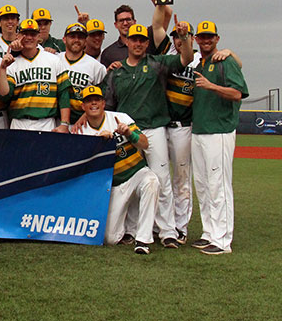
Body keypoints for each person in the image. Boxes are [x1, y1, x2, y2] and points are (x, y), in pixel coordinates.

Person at [100, 20, 193, 249]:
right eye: (134, 39)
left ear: (147, 43)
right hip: (127, 130)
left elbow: (186, 59)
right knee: (132, 178)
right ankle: (131, 230)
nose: (138, 43)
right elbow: (106, 104)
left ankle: (168, 231)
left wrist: (186, 39)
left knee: (161, 180)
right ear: (127, 41)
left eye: (142, 40)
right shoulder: (117, 71)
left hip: (153, 128)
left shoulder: (156, 64)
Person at [75, 86, 159, 254]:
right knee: (110, 239)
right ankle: (129, 228)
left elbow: (145, 143)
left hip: (136, 173)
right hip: (112, 185)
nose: (93, 103)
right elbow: (82, 168)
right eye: (88, 101)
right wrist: (99, 145)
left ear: (103, 103)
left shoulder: (120, 118)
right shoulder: (79, 130)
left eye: (97, 100)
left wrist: (129, 133)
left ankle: (143, 240)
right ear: (83, 107)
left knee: (152, 182)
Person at [189, 21, 248, 255]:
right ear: (196, 40)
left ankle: (222, 240)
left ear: (217, 39)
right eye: (202, 37)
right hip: (200, 130)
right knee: (202, 185)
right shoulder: (199, 63)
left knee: (218, 185)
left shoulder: (226, 62)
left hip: (220, 130)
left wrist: (212, 86)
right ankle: (209, 232)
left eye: (210, 37)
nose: (206, 41)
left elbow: (237, 93)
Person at [0, 19, 71, 132]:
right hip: (19, 122)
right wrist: (2, 68)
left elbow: (63, 94)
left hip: (46, 122)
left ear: (38, 37)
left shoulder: (53, 60)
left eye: (33, 34)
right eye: (25, 34)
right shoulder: (12, 63)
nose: (29, 37)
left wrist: (64, 123)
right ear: (18, 36)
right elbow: (4, 95)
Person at [100, 0, 171, 68]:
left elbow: (166, 13)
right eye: (121, 21)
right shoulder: (108, 53)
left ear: (134, 21)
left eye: (128, 19)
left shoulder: (148, 37)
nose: (125, 23)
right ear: (115, 25)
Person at [58, 23, 106, 124]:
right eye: (72, 37)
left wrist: (86, 115)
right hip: (57, 120)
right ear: (64, 39)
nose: (76, 40)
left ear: (85, 41)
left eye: (80, 37)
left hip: (84, 122)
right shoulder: (55, 60)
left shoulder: (96, 67)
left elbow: (101, 100)